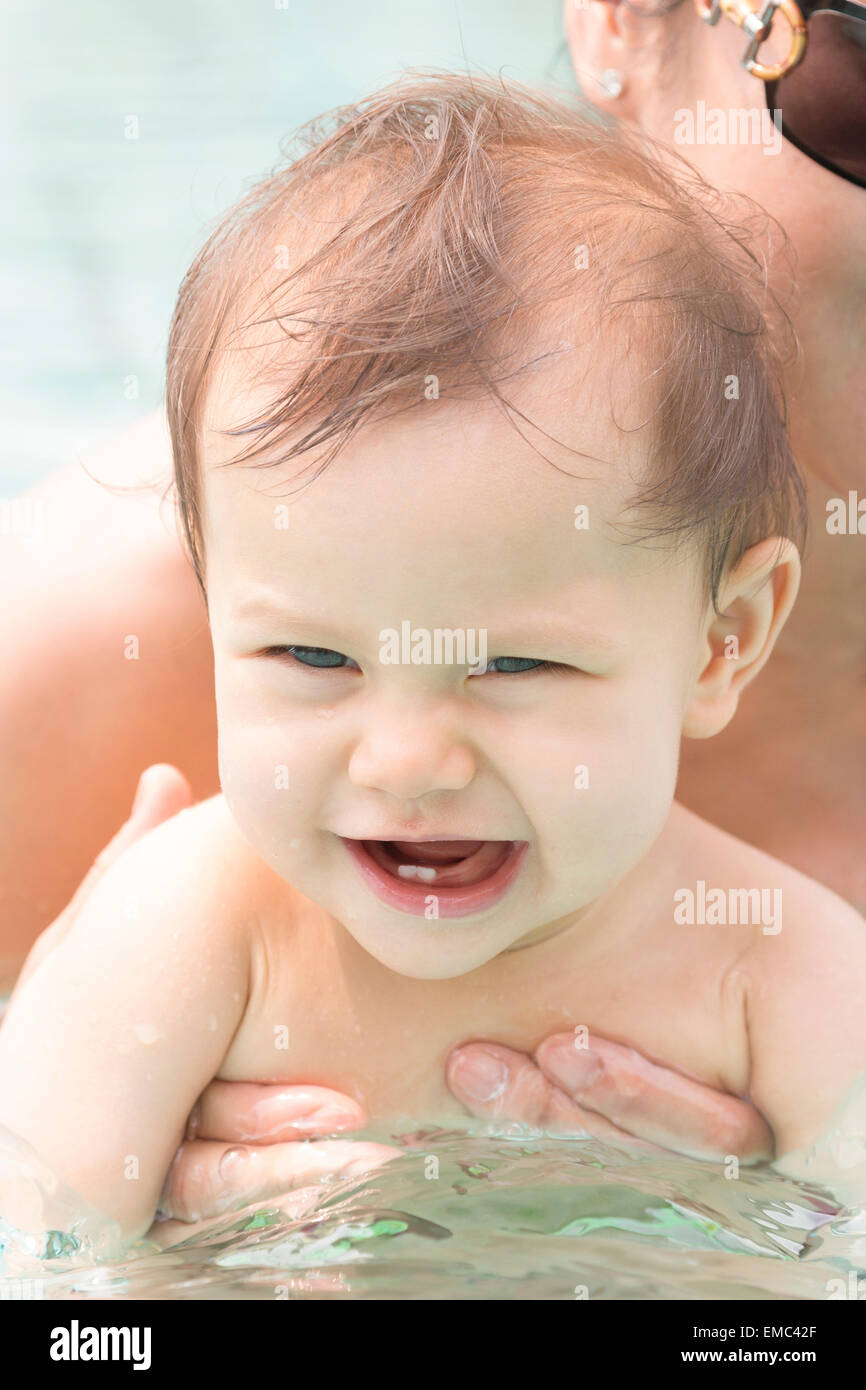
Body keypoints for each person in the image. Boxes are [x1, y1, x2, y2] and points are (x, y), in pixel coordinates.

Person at [0, 0, 861, 1230]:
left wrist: (766, 1247)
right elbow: (39, 1239)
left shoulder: (770, 964)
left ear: (722, 637)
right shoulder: (203, 932)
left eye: (512, 664)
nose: (406, 761)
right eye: (308, 654)